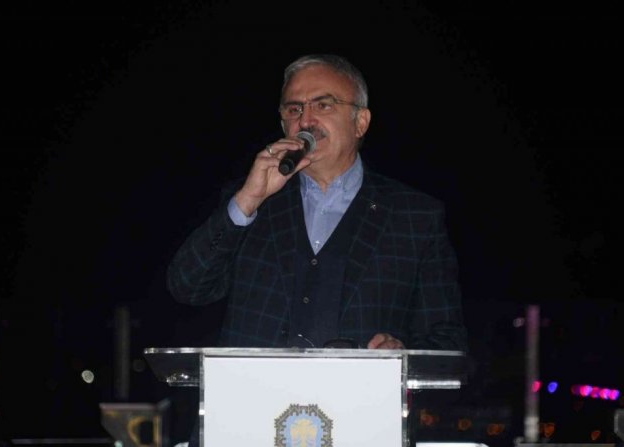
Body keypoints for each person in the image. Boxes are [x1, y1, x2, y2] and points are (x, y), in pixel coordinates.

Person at [167, 53, 467, 352]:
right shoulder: (253, 202)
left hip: (358, 385)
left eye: (323, 105)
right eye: (294, 109)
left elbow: (446, 340)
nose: (306, 121)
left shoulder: (415, 216)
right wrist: (247, 200)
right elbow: (188, 287)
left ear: (360, 122)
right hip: (253, 383)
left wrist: (401, 353)